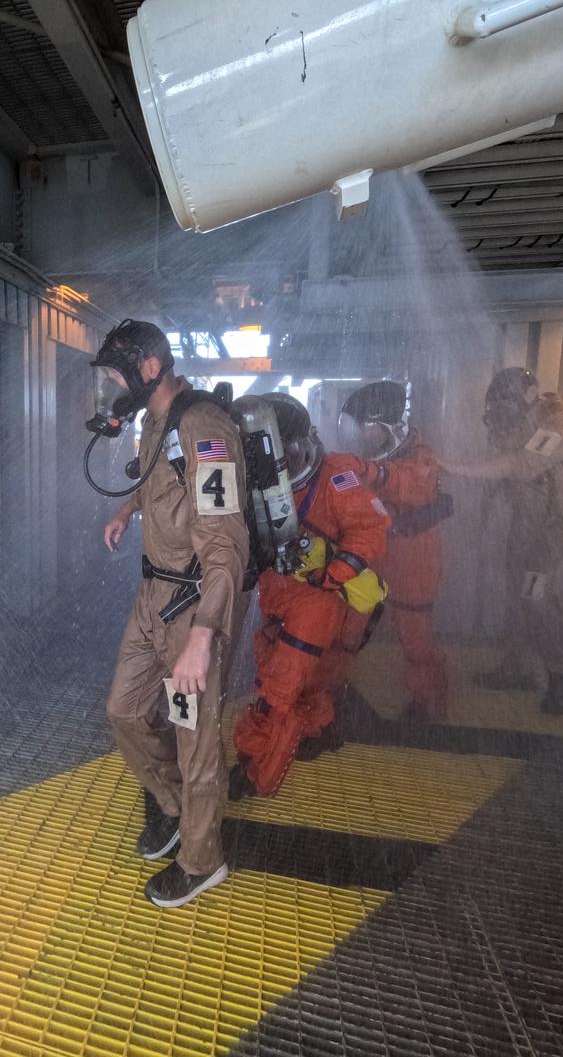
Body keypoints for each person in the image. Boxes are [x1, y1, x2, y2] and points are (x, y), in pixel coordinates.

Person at [94, 319, 250, 908]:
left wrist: (201, 640)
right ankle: (172, 807)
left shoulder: (205, 428)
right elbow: (157, 475)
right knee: (124, 711)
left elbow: (227, 548)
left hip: (194, 606)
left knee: (195, 735)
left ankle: (201, 859)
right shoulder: (152, 422)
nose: (112, 381)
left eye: (117, 370)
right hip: (151, 597)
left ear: (150, 368)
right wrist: (127, 509)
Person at [229, 393, 389, 800]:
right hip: (279, 592)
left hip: (317, 598)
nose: (277, 468)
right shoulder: (256, 481)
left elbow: (370, 530)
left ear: (303, 442)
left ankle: (256, 772)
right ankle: (319, 730)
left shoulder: (336, 476)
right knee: (307, 676)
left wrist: (332, 574)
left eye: (284, 455)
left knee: (278, 688)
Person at [440, 367, 563, 716]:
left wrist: (452, 467)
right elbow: (505, 480)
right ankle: (518, 667)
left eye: (507, 397)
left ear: (532, 391)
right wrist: (485, 521)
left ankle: (561, 676)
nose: (501, 407)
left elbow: (519, 466)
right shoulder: (518, 422)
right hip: (532, 522)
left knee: (542, 596)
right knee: (520, 593)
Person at [339, 381, 453, 722]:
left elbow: (411, 486)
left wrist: (369, 472)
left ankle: (428, 704)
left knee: (416, 640)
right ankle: (334, 690)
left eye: (364, 427)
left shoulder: (420, 458)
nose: (359, 434)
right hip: (371, 554)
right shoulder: (362, 462)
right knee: (346, 630)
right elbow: (343, 487)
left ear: (383, 426)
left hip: (413, 559)